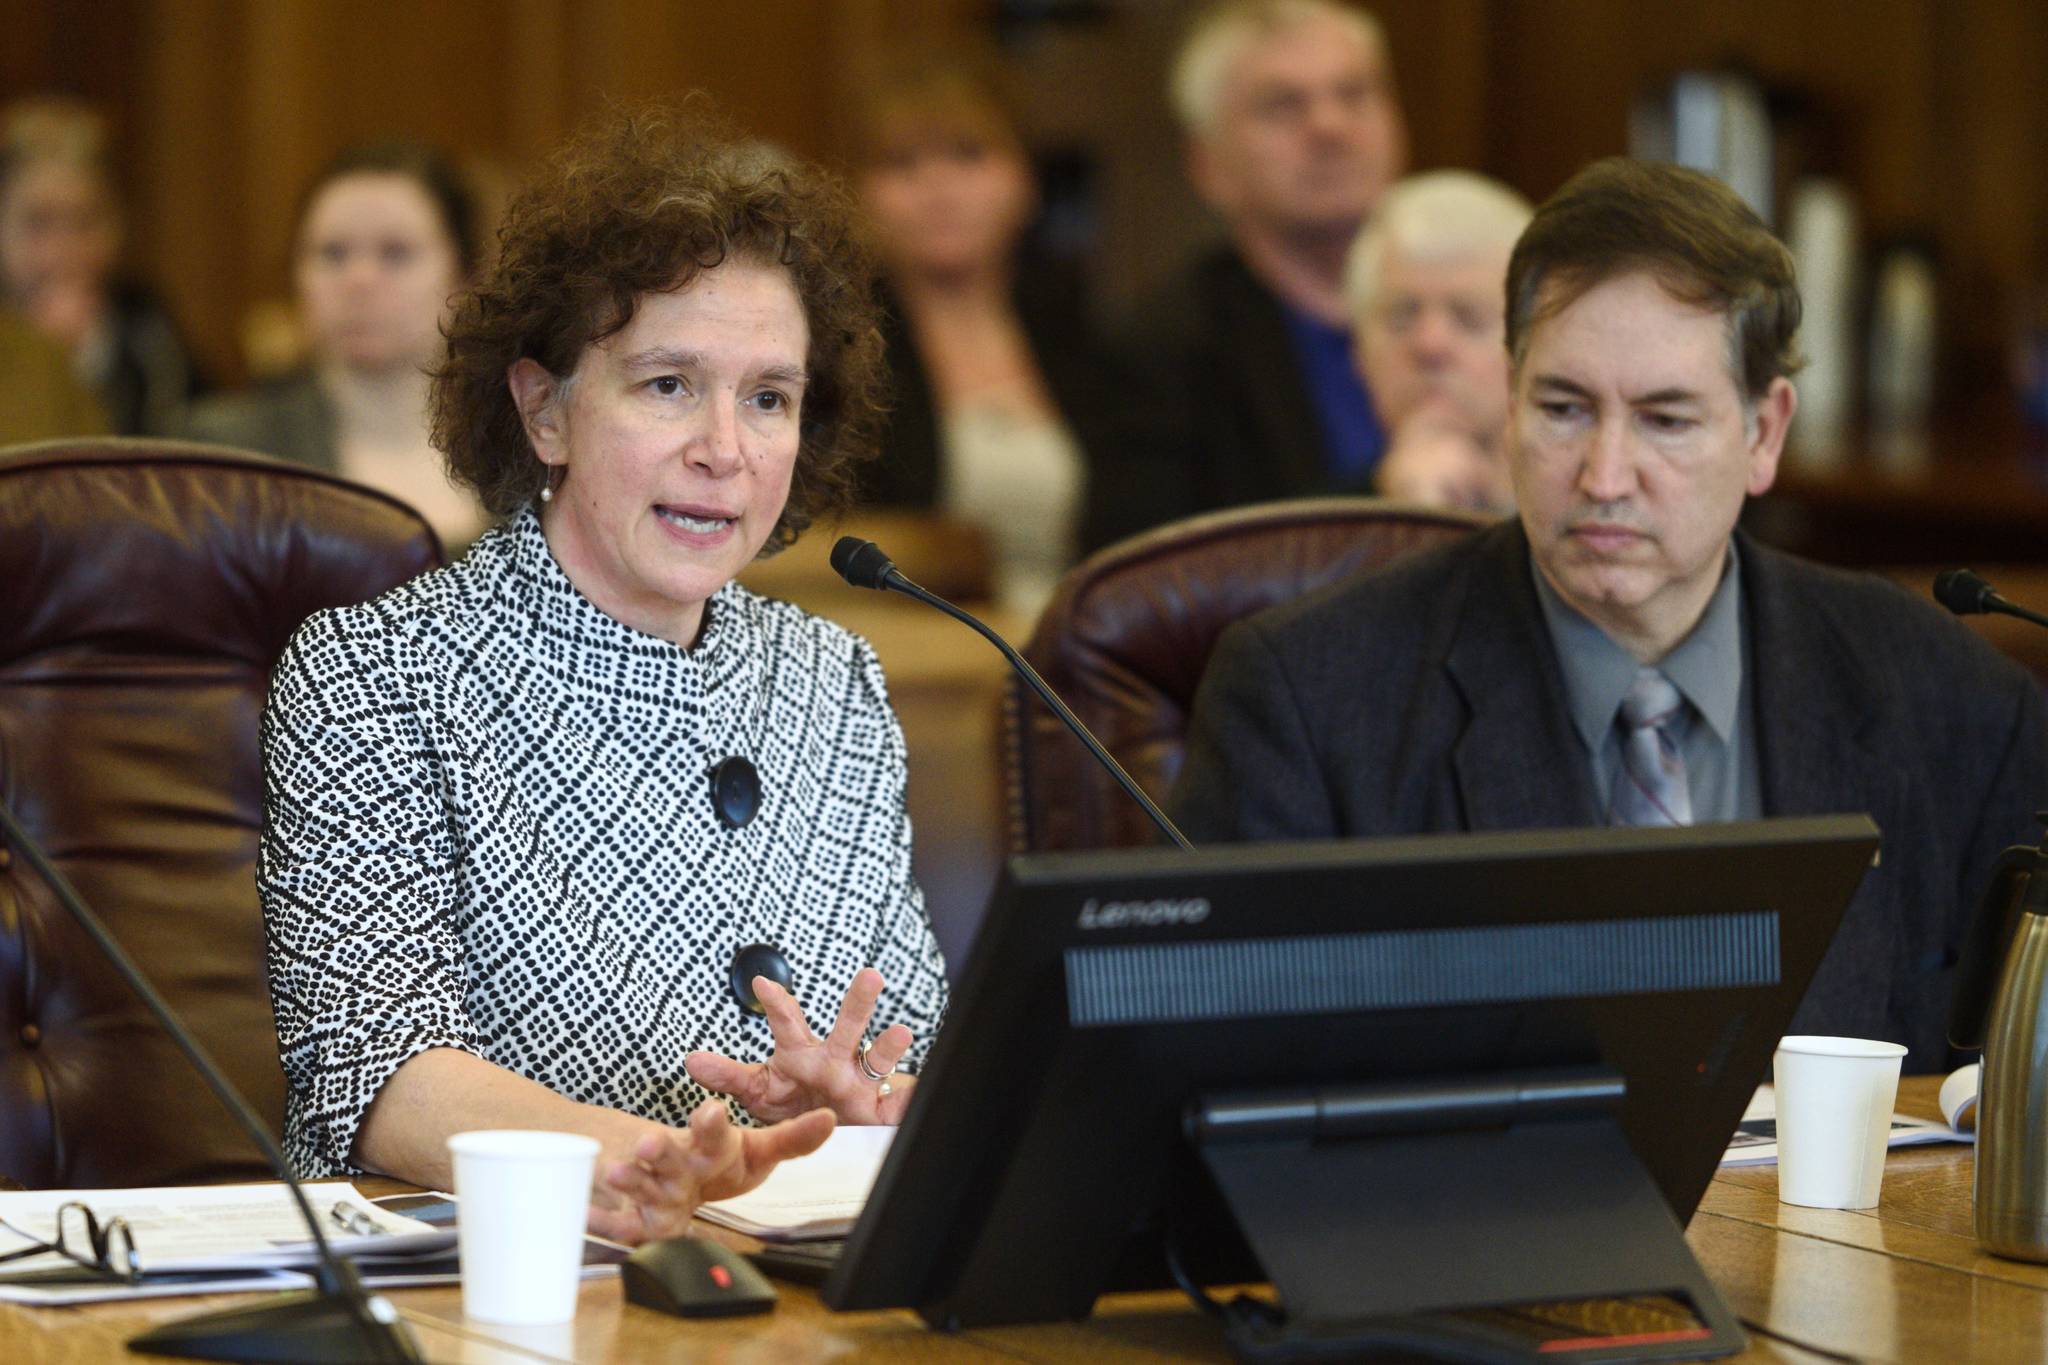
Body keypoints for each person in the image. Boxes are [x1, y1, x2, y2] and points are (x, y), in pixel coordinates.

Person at [1171, 157, 2048, 1071]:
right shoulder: (1311, 700)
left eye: (1666, 419)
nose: (1604, 476)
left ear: (1764, 433)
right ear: (1508, 401)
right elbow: (1219, 1103)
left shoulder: (1955, 700)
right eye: (1563, 408)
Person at [258, 104, 948, 1242]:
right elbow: (372, 1068)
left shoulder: (836, 679)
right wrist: (648, 1161)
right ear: (544, 410)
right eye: (667, 384)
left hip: (801, 1280)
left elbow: (912, 1033)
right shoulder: (375, 672)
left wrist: (857, 1109)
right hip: (495, 1288)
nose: (723, 447)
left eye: (767, 398)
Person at [1087, 0, 1407, 549]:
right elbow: (1145, 586)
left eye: (1354, 95)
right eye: (1283, 106)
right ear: (1208, 165)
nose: (1329, 126)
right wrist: (1385, 488)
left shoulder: (1480, 305)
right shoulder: (1166, 350)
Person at [854, 53, 1116, 615]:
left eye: (968, 154)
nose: (938, 187)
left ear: (1025, 180)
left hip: (1083, 651)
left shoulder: (1088, 335)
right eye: (903, 164)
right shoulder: (837, 352)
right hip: (919, 661)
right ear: (860, 195)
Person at [187, 142, 489, 552]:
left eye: (396, 253)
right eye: (332, 253)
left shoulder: (530, 448)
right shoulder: (221, 452)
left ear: (464, 277)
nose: (359, 279)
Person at [0, 98, 205, 436]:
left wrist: (94, 358)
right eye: (38, 223)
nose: (62, 251)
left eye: (86, 221)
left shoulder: (149, 333)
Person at [1347, 170, 1530, 515]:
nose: (1430, 345)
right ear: (1358, 354)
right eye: (1401, 317)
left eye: (1468, 319)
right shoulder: (1300, 538)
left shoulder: (1590, 523)